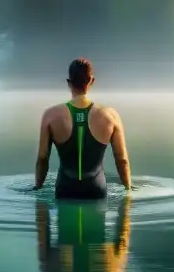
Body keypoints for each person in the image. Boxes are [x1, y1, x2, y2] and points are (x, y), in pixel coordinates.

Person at [34, 58, 131, 199]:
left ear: (69, 82)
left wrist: (38, 187)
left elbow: (42, 158)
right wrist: (128, 188)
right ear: (91, 81)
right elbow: (122, 160)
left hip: (65, 189)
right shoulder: (110, 115)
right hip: (96, 189)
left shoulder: (50, 115)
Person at [35, 196, 131, 272]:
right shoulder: (112, 268)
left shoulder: (112, 268)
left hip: (69, 193)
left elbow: (124, 223)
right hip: (92, 194)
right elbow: (124, 225)